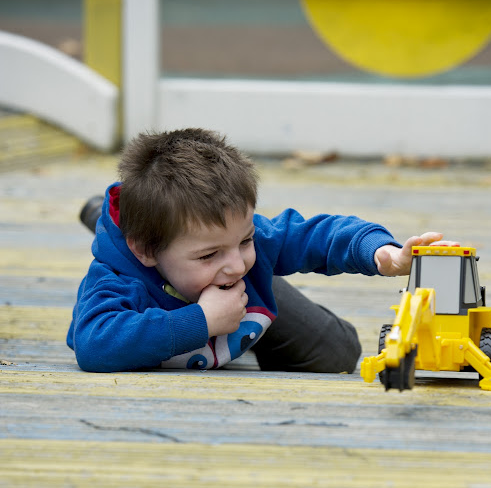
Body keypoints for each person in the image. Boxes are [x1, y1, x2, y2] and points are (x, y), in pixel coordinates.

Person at [67, 128, 443, 373]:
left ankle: (119, 216)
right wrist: (200, 321)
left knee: (337, 353)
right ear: (146, 250)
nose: (235, 263)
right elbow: (94, 344)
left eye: (244, 239)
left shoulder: (243, 253)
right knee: (155, 231)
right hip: (155, 273)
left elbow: (319, 234)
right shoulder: (116, 279)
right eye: (208, 254)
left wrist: (383, 254)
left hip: (246, 297)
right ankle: (105, 215)